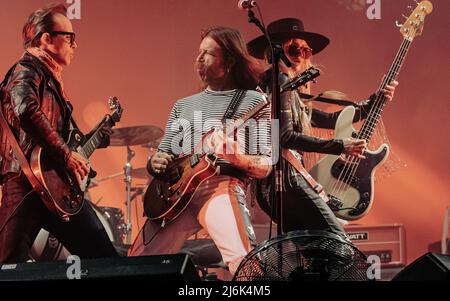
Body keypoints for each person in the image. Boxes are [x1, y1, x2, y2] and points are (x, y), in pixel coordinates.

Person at [128, 26, 272, 275]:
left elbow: (266, 164)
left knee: (244, 264)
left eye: (208, 53)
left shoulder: (254, 101)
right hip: (175, 196)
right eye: (199, 52)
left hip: (219, 186)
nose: (199, 58)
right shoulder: (182, 106)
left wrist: (237, 158)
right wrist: (156, 162)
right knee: (137, 264)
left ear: (228, 61)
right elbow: (165, 153)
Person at [247, 18, 398, 235]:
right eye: (294, 49)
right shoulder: (279, 82)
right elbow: (286, 137)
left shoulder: (284, 87)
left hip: (277, 187)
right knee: (338, 244)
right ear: (275, 51)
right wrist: (340, 146)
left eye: (306, 51)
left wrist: (376, 99)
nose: (302, 56)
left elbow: (332, 120)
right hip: (286, 185)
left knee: (313, 252)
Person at [0, 4, 118, 263]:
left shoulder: (51, 79)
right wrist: (66, 156)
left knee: (105, 260)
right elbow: (25, 109)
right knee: (8, 267)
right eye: (69, 37)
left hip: (58, 186)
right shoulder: (25, 71)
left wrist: (93, 140)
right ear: (45, 39)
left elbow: (59, 138)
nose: (75, 45)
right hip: (26, 183)